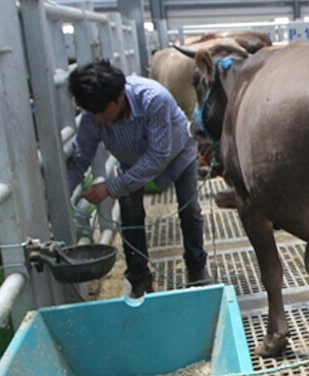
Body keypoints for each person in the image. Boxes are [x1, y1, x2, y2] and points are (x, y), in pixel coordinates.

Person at [66, 58, 211, 298]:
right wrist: (62, 197)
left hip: (177, 154)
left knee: (189, 209)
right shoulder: (94, 115)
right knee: (131, 219)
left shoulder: (154, 98)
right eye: (93, 113)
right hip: (132, 162)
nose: (99, 118)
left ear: (119, 95)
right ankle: (139, 279)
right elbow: (81, 158)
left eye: (103, 111)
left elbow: (157, 156)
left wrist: (111, 187)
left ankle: (197, 269)